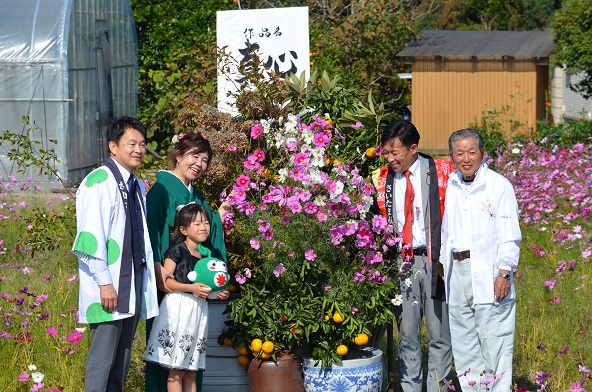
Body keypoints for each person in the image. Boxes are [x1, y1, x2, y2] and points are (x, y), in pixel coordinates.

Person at [72, 116, 159, 392]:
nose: (138, 150)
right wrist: (104, 282)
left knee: (122, 357)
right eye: (131, 143)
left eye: (142, 144)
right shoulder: (100, 181)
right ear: (113, 146)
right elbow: (90, 237)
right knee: (102, 357)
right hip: (108, 282)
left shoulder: (136, 183)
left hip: (131, 279)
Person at [370, 120, 453, 392]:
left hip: (435, 260)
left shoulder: (442, 172)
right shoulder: (379, 178)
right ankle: (410, 387)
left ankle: (438, 387)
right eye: (386, 153)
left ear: (414, 148)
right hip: (401, 262)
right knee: (408, 334)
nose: (390, 158)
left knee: (440, 332)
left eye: (396, 153)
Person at [145, 131, 229, 392]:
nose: (199, 164)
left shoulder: (196, 193)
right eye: (195, 156)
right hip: (169, 281)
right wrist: (156, 268)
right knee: (168, 358)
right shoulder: (160, 190)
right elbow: (150, 230)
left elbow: (205, 234)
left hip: (194, 293)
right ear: (179, 156)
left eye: (205, 160)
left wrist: (218, 218)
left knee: (191, 359)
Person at [440, 128, 521, 392]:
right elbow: (445, 232)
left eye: (471, 152)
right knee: (464, 342)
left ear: (482, 153)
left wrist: (504, 271)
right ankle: (474, 389)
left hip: (488, 271)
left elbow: (510, 235)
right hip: (456, 270)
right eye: (459, 153)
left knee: (494, 339)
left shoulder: (498, 185)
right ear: (451, 156)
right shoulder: (451, 184)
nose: (466, 158)